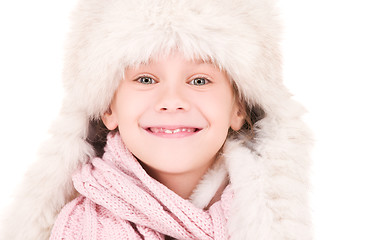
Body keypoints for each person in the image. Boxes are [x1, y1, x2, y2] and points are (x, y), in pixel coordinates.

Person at [0, 0, 312, 239]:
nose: (172, 101)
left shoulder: (271, 224)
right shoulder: (80, 229)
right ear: (108, 108)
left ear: (238, 108)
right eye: (146, 79)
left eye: (200, 80)